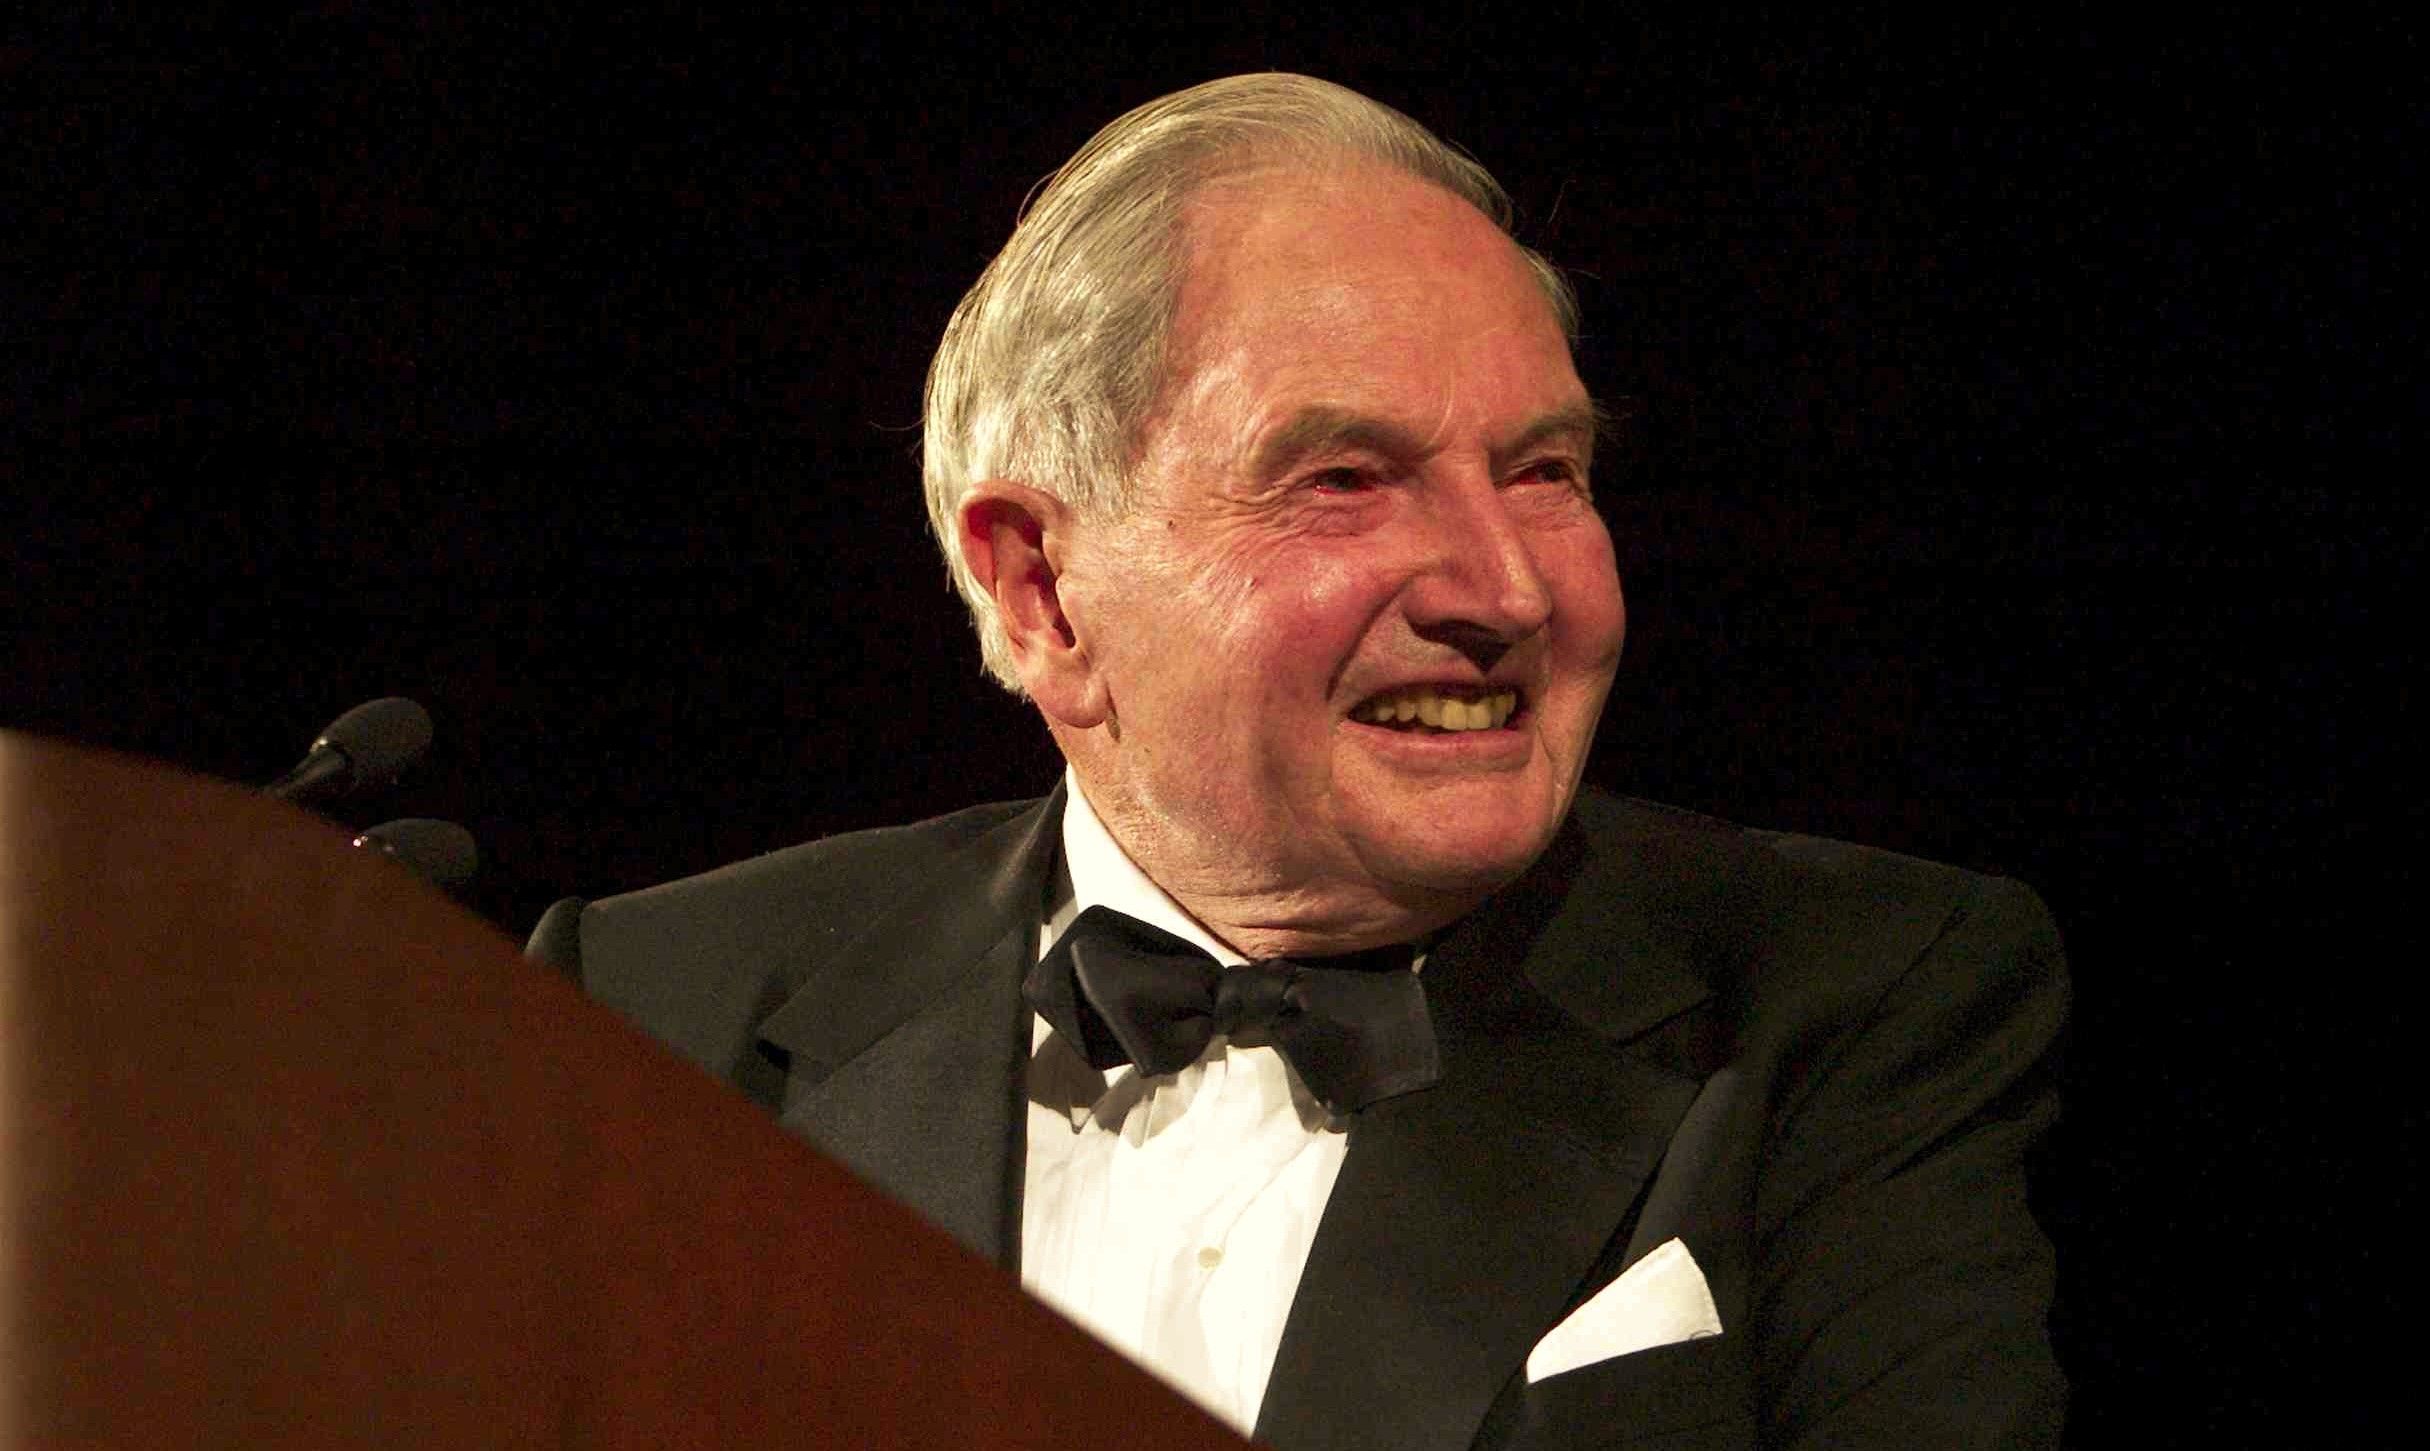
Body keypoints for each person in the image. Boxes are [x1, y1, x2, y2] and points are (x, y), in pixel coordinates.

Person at [530, 73, 2067, 1450]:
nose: (1505, 592)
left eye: (1543, 471)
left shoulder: (1850, 1000)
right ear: (1042, 591)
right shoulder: (649, 1011)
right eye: (1343, 479)